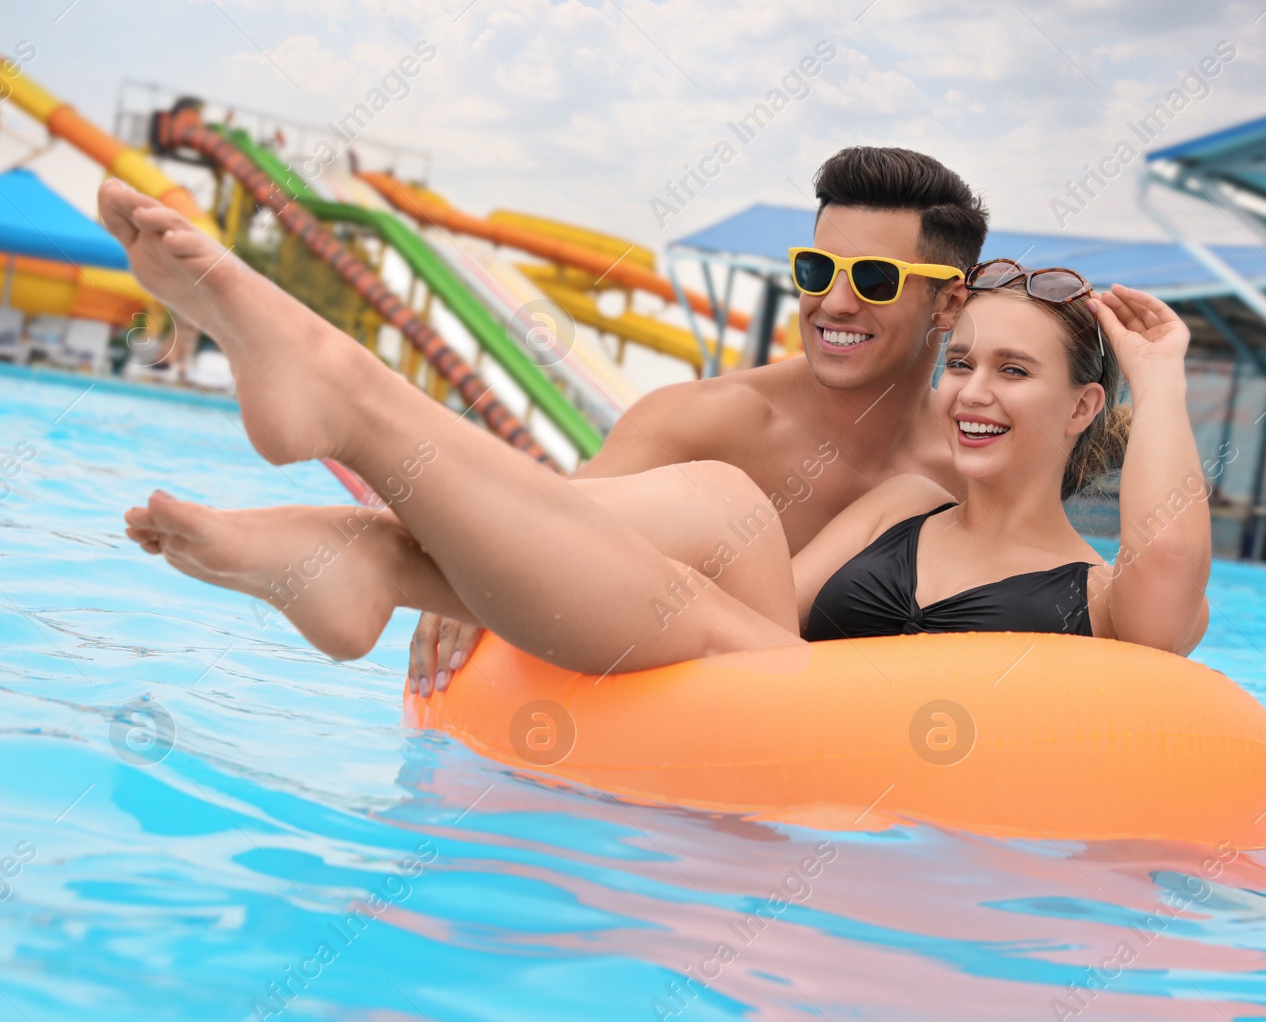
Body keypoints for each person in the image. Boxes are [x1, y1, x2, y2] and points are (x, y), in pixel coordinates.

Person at [108, 170, 1209, 670]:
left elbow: (1164, 578)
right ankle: (354, 479)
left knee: (736, 602)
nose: (972, 390)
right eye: (967, 366)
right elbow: (733, 595)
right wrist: (470, 577)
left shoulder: (1105, 594)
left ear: (1081, 407)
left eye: (1012, 372)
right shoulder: (904, 501)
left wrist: (1159, 380)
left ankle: (366, 504)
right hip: (768, 714)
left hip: (863, 768)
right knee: (729, 505)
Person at [403, 146, 988, 695]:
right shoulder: (698, 425)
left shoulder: (967, 468)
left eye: (874, 279)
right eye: (816, 269)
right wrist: (481, 561)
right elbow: (550, 527)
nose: (834, 303)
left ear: (949, 304)